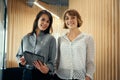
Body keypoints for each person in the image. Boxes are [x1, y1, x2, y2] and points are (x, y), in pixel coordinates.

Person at [54, 9, 95, 80]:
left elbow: (90, 61)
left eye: (73, 17)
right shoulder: (60, 39)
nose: (70, 20)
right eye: (67, 18)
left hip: (80, 77)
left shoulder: (88, 38)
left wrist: (88, 76)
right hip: (60, 76)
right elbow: (57, 59)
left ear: (78, 19)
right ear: (65, 22)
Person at [16, 10, 56, 80]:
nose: (45, 23)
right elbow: (18, 55)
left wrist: (47, 69)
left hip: (42, 75)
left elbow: (52, 62)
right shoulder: (26, 38)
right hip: (26, 74)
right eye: (43, 20)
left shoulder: (51, 39)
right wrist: (20, 61)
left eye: (48, 21)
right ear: (37, 20)